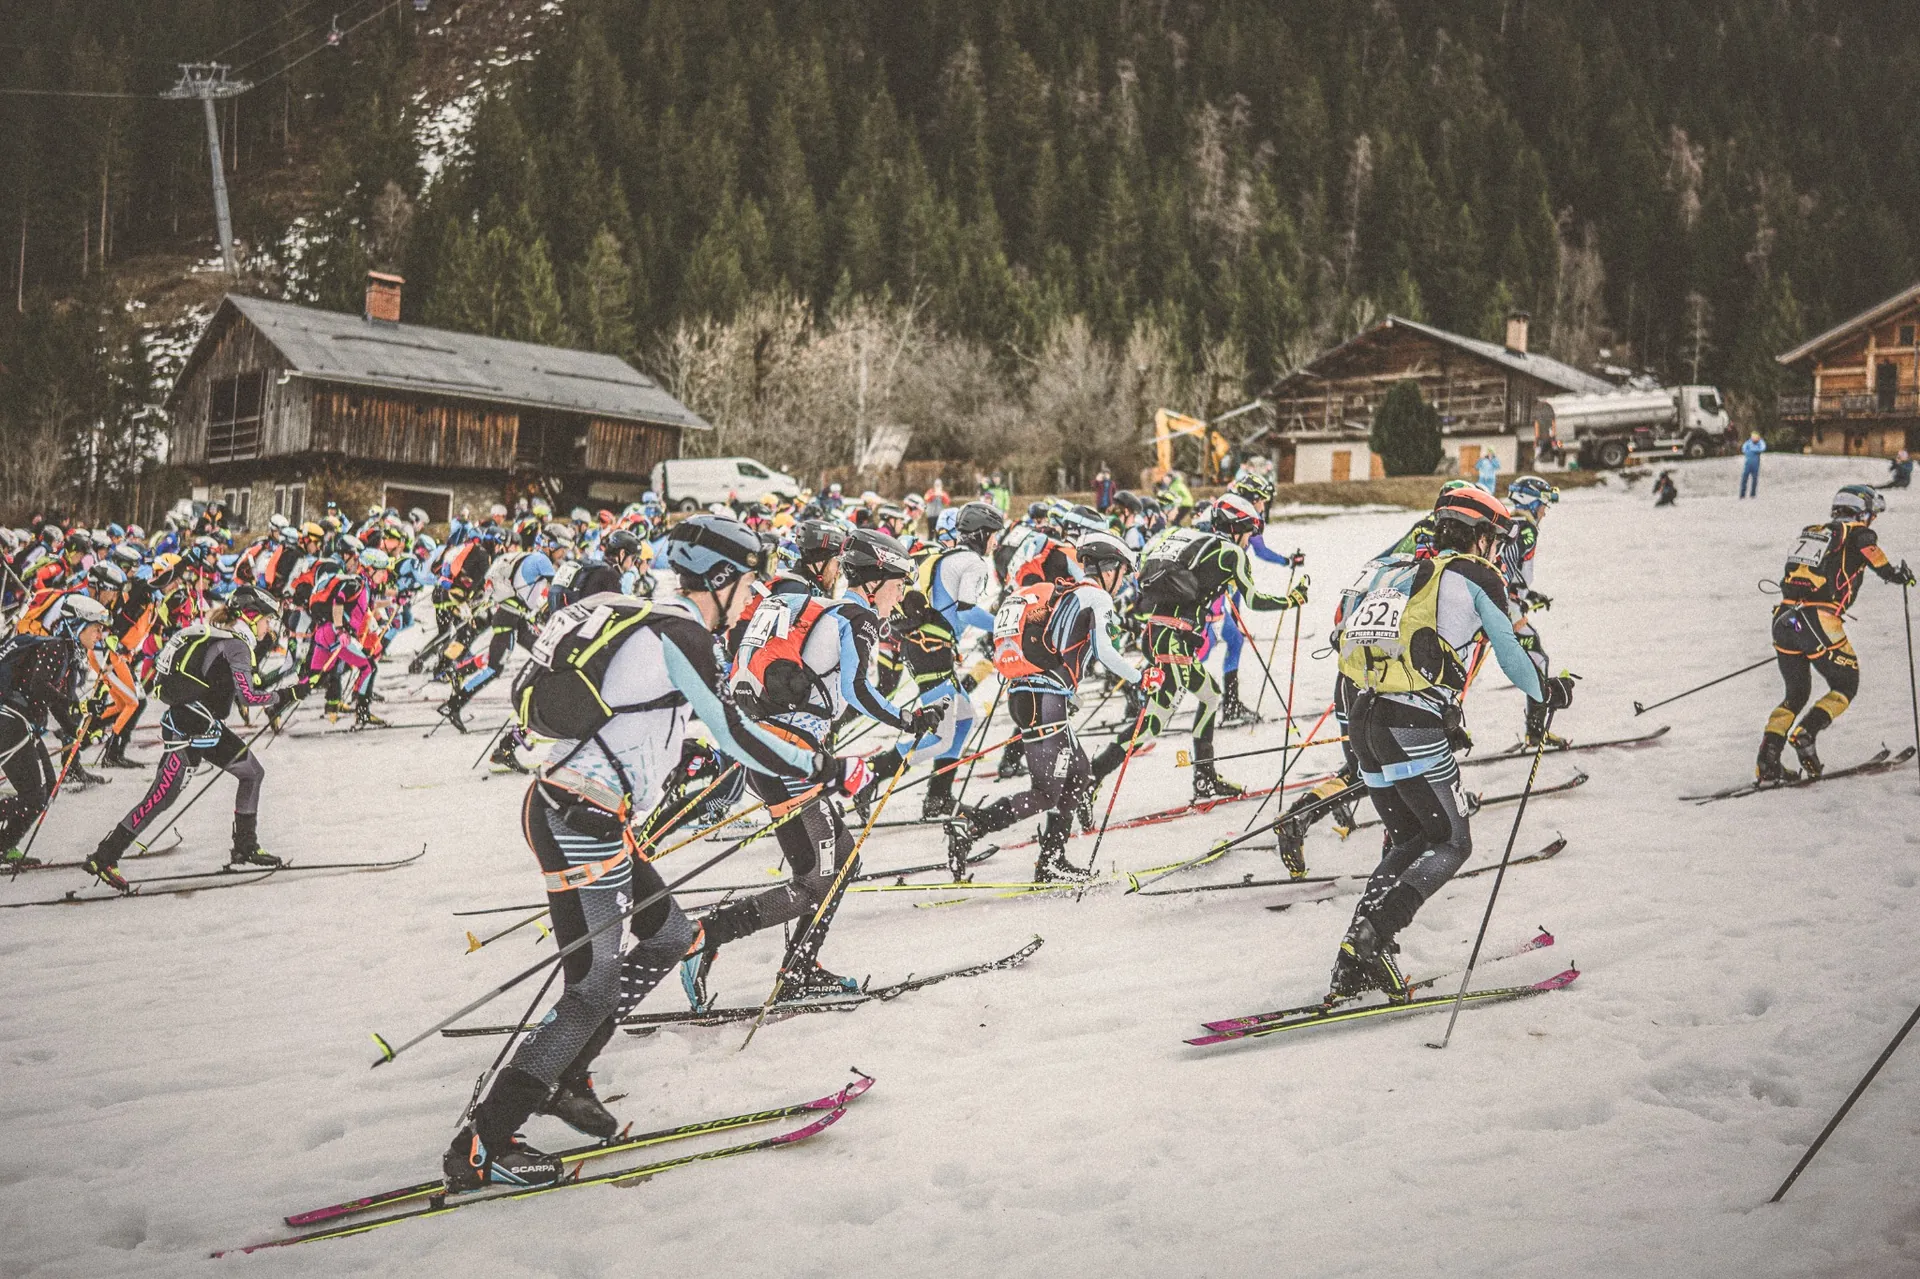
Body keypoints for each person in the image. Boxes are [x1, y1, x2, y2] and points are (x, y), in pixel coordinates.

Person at [445, 514, 839, 1192]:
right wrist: (816, 762)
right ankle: (482, 1143)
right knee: (593, 984)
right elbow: (732, 734)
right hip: (581, 820)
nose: (753, 599)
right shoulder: (681, 632)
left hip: (584, 813)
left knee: (671, 935)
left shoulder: (653, 620)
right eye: (747, 584)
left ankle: (565, 1074)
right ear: (718, 580)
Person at [1325, 486, 1576, 1001]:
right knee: (1452, 842)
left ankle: (1356, 954)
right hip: (1411, 722)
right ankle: (1373, 941)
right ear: (1482, 536)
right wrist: (1547, 690)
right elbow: (1510, 652)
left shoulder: (1396, 571)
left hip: (1362, 717)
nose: (1496, 550)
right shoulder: (1476, 574)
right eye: (1494, 539)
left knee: (1408, 838)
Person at [681, 528, 939, 1012]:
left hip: (774, 752)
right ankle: (700, 937)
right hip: (790, 761)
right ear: (876, 580)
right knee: (818, 878)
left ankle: (797, 968)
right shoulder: (855, 616)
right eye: (899, 584)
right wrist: (909, 718)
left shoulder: (813, 608)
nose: (901, 594)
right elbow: (860, 690)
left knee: (841, 861)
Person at [945, 532, 1143, 882]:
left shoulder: (1070, 592)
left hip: (1032, 695)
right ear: (1109, 568)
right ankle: (972, 826)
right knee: (1045, 792)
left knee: (1079, 774)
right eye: (1123, 572)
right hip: (1045, 700)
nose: (1123, 580)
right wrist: (1141, 678)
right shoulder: (1095, 597)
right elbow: (1106, 651)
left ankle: (1052, 857)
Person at [1092, 493, 1309, 803]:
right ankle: (1090, 777)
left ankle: (1204, 777)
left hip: (1160, 635)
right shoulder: (1232, 553)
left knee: (1209, 697)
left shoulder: (1185, 538)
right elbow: (1254, 600)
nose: (1249, 541)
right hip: (1173, 642)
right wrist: (1293, 600)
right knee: (1152, 725)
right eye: (1248, 533)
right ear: (1237, 528)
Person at [83, 588, 292, 890]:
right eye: (267, 621)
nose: (268, 628)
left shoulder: (228, 638)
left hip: (204, 727)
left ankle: (245, 846)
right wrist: (286, 694)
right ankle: (103, 857)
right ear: (252, 616)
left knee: (251, 773)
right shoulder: (236, 645)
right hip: (189, 730)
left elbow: (230, 678)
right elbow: (248, 695)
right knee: (159, 799)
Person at [853, 501, 1004, 821]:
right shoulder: (973, 563)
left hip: (925, 648)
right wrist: (1007, 625)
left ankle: (938, 797)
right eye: (993, 536)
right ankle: (868, 774)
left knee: (963, 720)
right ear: (981, 534)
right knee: (940, 734)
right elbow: (966, 610)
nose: (996, 543)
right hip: (930, 652)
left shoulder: (949, 555)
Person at [1757, 484, 1913, 781]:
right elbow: (1873, 554)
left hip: (1784, 619)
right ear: (1862, 511)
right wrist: (1899, 576)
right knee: (1846, 684)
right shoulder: (1858, 532)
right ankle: (1806, 733)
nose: (1872, 521)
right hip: (1818, 621)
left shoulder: (1814, 531)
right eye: (1871, 515)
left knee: (1795, 694)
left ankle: (1767, 761)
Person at [0, 595, 109, 868]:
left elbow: (54, 702)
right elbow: (39, 687)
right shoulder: (55, 649)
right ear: (78, 625)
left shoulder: (67, 654)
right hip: (11, 724)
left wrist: (78, 731)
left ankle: (4, 845)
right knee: (34, 796)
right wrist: (79, 704)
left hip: (23, 726)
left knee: (47, 789)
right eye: (95, 628)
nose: (100, 634)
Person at [1502, 476, 1562, 747]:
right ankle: (1536, 732)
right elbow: (1513, 572)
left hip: (1500, 601)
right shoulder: (1526, 529)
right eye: (1543, 505)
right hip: (1504, 608)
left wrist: (1526, 595)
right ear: (1531, 502)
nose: (1544, 512)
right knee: (1538, 659)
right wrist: (1517, 600)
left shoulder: (1506, 523)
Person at [1740, 431, 1766, 498]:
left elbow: (1763, 448)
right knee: (1744, 478)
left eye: (1755, 437)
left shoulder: (1760, 442)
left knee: (1754, 479)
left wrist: (1752, 450)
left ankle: (1753, 494)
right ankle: (1742, 494)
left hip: (1755, 464)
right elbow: (1743, 449)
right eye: (1753, 437)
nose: (1754, 439)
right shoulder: (1748, 442)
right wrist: (1753, 450)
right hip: (1748, 463)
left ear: (1758, 437)